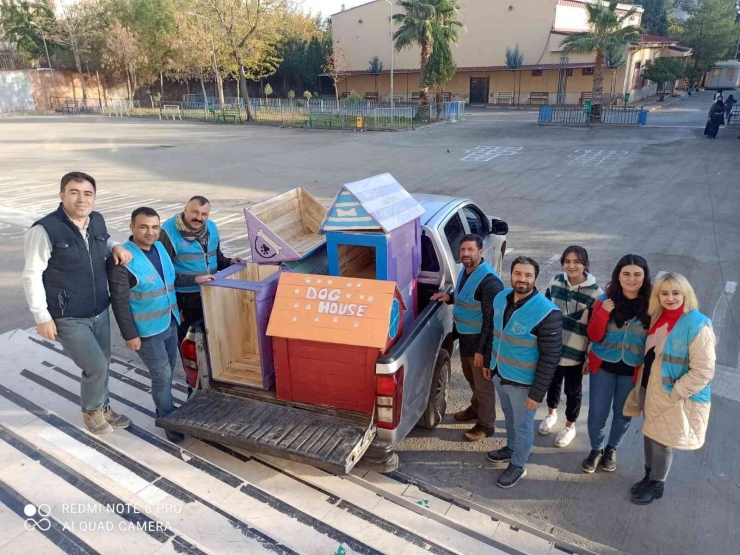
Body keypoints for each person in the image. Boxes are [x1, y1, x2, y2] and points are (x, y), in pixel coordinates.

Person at [22, 172, 133, 435]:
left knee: (103, 362)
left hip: (98, 309)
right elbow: (32, 274)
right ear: (62, 195)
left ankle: (104, 406)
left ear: (94, 197)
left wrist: (115, 246)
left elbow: (102, 242)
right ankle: (92, 412)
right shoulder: (45, 229)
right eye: (74, 192)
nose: (81, 199)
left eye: (87, 193)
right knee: (95, 365)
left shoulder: (96, 220)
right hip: (67, 315)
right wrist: (41, 317)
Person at [624, 274, 715, 505]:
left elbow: (703, 371)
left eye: (676, 293)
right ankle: (648, 476)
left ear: (686, 294)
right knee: (650, 433)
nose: (670, 298)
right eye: (664, 293)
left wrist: (673, 393)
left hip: (673, 395)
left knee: (661, 441)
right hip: (649, 388)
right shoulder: (658, 316)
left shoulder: (697, 325)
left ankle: (657, 485)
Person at [108, 207, 185, 443]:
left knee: (168, 371)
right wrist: (130, 335)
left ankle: (164, 409)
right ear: (132, 228)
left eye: (154, 227)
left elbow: (171, 280)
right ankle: (167, 419)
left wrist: (199, 278)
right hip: (147, 332)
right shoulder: (123, 260)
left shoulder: (160, 247)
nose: (150, 232)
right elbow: (119, 302)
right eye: (143, 227)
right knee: (161, 376)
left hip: (170, 322)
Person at [485, 256, 562, 488]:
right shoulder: (501, 298)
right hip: (500, 373)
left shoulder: (547, 312)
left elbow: (551, 358)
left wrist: (537, 394)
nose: (522, 279)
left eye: (528, 275)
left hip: (523, 384)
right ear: (512, 274)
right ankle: (510, 448)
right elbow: (493, 331)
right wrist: (490, 365)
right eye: (518, 274)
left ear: (535, 278)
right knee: (508, 417)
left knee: (523, 425)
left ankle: (518, 464)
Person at [431, 234, 504, 441]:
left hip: (480, 342)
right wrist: (451, 297)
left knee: (483, 385)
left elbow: (491, 322)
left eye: (470, 250)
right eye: (463, 250)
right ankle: (476, 408)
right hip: (465, 338)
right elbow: (468, 298)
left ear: (481, 252)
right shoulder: (466, 270)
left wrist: (483, 352)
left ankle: (486, 424)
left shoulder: (490, 282)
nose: (466, 254)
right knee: (471, 378)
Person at [582, 254, 651, 474]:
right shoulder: (605, 299)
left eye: (637, 274)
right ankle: (596, 449)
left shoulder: (652, 305)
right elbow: (593, 334)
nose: (631, 279)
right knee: (597, 414)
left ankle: (612, 448)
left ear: (644, 277)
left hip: (632, 370)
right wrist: (603, 313)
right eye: (626, 274)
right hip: (603, 367)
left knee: (623, 414)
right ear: (618, 276)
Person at [539, 246, 603, 447]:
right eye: (567, 261)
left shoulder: (595, 293)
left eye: (577, 261)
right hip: (552, 348)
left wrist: (588, 357)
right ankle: (551, 414)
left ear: (585, 263)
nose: (571, 265)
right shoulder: (556, 281)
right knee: (552, 383)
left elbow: (595, 329)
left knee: (573, 391)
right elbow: (544, 310)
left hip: (576, 353)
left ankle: (570, 426)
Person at [159, 196, 244, 343]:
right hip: (185, 299)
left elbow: (215, 257)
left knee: (211, 338)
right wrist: (193, 281)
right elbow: (163, 273)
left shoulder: (211, 228)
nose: (199, 218)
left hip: (210, 292)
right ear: (185, 209)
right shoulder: (168, 233)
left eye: (204, 214)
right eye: (194, 212)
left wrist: (229, 262)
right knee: (189, 341)